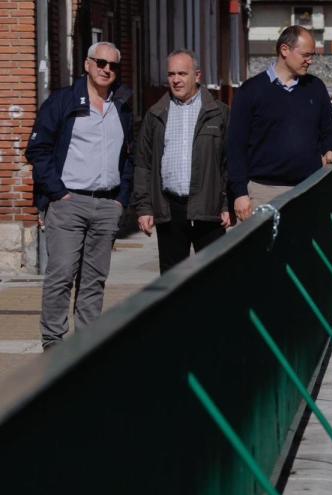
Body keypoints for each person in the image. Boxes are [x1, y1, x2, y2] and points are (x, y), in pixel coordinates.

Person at [26, 41, 132, 350]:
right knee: (61, 276)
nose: (106, 70)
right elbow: (38, 148)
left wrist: (120, 200)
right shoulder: (63, 101)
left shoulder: (121, 106)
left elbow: (130, 156)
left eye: (112, 66)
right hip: (69, 203)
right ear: (87, 64)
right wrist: (57, 194)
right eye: (100, 63)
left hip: (107, 205)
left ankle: (86, 346)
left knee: (94, 281)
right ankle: (54, 345)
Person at [228, 25, 332, 221]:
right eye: (306, 55)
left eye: (312, 55)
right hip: (263, 194)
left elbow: (330, 131)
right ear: (284, 50)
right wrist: (240, 193)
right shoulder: (250, 91)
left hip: (309, 190)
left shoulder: (316, 88)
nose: (310, 61)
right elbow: (235, 146)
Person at [133, 50, 231, 274]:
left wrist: (227, 204)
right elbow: (143, 165)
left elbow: (228, 164)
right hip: (170, 210)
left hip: (209, 209)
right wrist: (144, 207)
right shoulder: (155, 115)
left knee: (214, 278)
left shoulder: (220, 114)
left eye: (182, 74)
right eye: (171, 74)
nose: (176, 80)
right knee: (171, 283)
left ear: (197, 76)